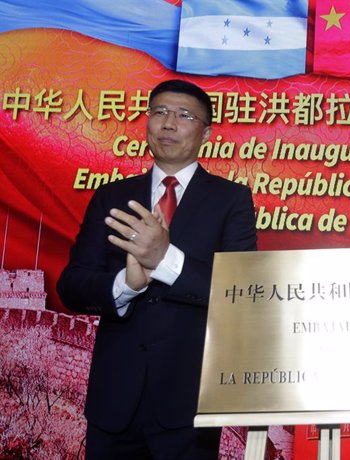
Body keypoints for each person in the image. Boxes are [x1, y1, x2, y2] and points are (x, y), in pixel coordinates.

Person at [58, 79, 257, 459]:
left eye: (184, 116)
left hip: (188, 405)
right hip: (113, 404)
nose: (168, 124)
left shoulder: (231, 201)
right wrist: (125, 285)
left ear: (207, 132)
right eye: (160, 112)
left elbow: (239, 292)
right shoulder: (111, 197)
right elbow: (71, 285)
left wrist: (163, 260)